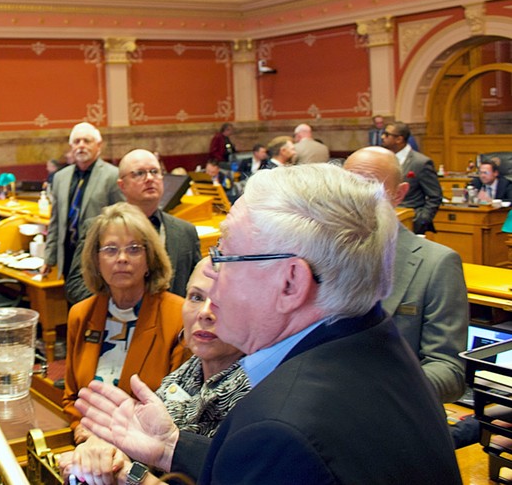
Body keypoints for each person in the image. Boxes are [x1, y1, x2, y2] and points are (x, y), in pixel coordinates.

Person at [74, 164, 461, 485]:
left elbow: (287, 453)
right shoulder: (373, 335)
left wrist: (129, 477)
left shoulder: (278, 426)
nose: (214, 278)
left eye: (225, 256)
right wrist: (172, 446)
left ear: (290, 283)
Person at [58, 258, 251, 483]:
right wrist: (100, 450)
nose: (205, 313)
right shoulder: (188, 372)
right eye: (196, 297)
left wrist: (128, 476)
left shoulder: (256, 393)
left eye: (223, 301)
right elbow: (130, 446)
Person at [344, 146, 467, 403]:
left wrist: (379, 395)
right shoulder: (318, 254)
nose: (354, 196)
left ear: (399, 194)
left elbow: (449, 371)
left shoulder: (437, 263)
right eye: (346, 184)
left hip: (393, 412)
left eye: (368, 185)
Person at [63, 202, 186, 445]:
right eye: (110, 249)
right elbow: (72, 397)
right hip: (90, 445)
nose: (121, 259)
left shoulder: (178, 316)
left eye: (133, 249)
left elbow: (180, 408)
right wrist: (81, 427)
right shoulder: (81, 314)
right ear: (96, 260)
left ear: (150, 258)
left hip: (149, 449)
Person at [64, 149, 200, 304]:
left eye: (155, 172)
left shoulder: (185, 231)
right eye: (139, 173)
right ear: (122, 186)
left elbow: (198, 286)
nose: (149, 178)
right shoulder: (98, 228)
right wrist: (121, 305)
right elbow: (75, 286)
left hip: (174, 324)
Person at [42, 122, 123, 279]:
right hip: (68, 257)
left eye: (87, 141)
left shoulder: (112, 176)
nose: (81, 146)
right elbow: (55, 221)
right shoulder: (60, 177)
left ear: (98, 145)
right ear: (71, 146)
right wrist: (49, 258)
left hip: (97, 258)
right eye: (77, 141)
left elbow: (120, 220)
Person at [381, 120, 442, 235]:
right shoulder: (383, 158)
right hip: (386, 223)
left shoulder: (421, 162)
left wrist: (422, 219)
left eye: (387, 134)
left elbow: (435, 196)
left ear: (399, 139)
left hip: (411, 223)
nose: (382, 137)